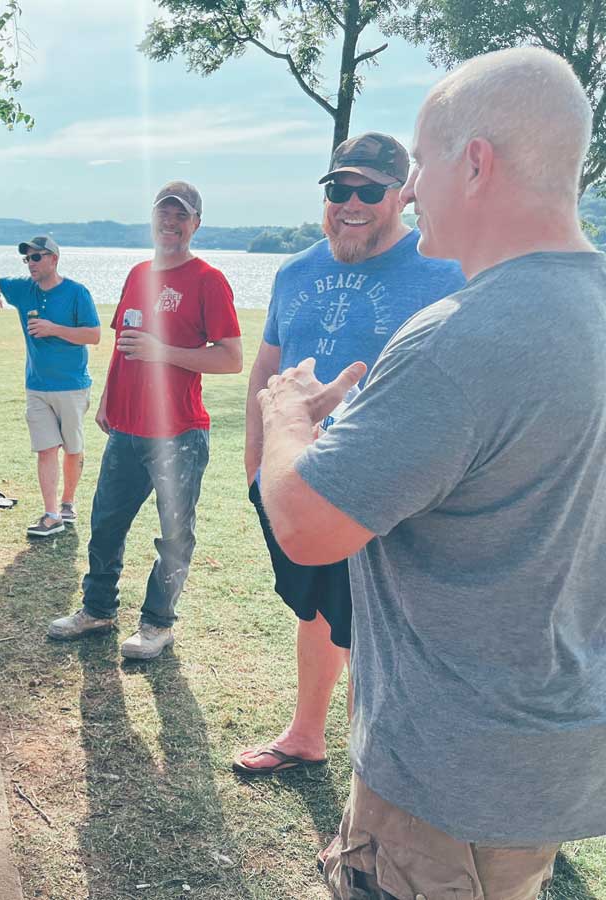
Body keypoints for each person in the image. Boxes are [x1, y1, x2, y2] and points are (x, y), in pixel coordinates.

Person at [258, 48, 606, 897]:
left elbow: (307, 526)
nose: (410, 192)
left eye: (421, 166)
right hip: (551, 752)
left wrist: (284, 419)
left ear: (476, 163)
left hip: (447, 783)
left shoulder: (461, 335)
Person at [232, 134, 464, 777]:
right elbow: (267, 366)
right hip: (302, 481)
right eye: (339, 189)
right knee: (317, 609)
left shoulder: (448, 270)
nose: (351, 203)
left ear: (403, 195)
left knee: (381, 636)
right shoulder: (295, 270)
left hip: (397, 493)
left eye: (370, 190)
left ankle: (381, 774)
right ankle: (307, 734)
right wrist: (257, 464)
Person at [48, 182, 243, 659]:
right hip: (126, 430)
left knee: (174, 534)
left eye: (181, 215)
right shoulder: (137, 274)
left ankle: (157, 624)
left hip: (179, 433)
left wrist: (165, 353)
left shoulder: (208, 279)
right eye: (164, 214)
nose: (170, 223)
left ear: (196, 223)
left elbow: (232, 359)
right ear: (153, 219)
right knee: (105, 524)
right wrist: (107, 401)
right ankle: (98, 610)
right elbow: (123, 345)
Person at [0, 236, 101, 537]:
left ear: (53, 259)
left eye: (36, 258)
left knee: (73, 449)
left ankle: (68, 502)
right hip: (37, 387)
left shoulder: (76, 293)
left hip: (72, 386)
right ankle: (51, 514)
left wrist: (54, 329)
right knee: (46, 450)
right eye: (27, 259)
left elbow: (93, 335)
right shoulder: (22, 290)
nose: (30, 263)